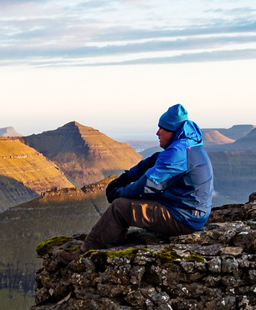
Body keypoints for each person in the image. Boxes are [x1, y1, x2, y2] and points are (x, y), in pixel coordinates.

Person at [85, 103, 214, 248]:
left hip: (184, 217)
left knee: (119, 207)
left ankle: (84, 252)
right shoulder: (188, 144)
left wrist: (119, 192)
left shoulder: (178, 152)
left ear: (171, 131)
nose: (157, 133)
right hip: (189, 210)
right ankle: (115, 239)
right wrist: (125, 178)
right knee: (133, 196)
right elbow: (153, 160)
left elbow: (147, 185)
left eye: (161, 128)